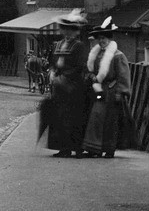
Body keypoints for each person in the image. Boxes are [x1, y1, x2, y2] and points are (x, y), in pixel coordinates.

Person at [82, 16, 132, 158]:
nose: (102, 41)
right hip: (98, 89)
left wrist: (121, 92)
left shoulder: (118, 56)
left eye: (104, 38)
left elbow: (123, 75)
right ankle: (94, 148)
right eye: (100, 39)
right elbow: (91, 71)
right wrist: (92, 77)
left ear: (109, 39)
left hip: (111, 91)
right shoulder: (96, 55)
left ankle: (109, 149)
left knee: (111, 121)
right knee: (95, 118)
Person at [46, 9, 88, 158]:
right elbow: (53, 62)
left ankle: (77, 148)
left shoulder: (79, 46)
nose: (67, 33)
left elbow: (80, 66)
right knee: (59, 117)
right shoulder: (58, 45)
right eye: (65, 29)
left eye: (70, 30)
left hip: (74, 86)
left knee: (74, 117)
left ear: (75, 31)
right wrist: (52, 72)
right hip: (58, 86)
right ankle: (63, 148)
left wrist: (64, 77)